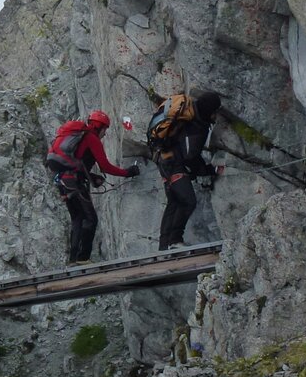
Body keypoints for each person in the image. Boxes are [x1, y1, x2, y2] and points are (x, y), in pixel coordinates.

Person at [46, 110, 141, 264]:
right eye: (105, 130)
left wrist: (92, 177)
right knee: (91, 219)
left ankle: (73, 259)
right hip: (75, 183)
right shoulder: (91, 138)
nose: (105, 133)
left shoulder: (79, 137)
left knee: (77, 218)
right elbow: (105, 166)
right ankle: (83, 258)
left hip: (64, 182)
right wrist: (128, 173)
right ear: (101, 127)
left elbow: (79, 163)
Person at [154, 91, 223, 250]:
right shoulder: (197, 124)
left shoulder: (189, 115)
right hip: (173, 164)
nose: (215, 115)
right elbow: (190, 155)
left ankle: (164, 247)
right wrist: (207, 170)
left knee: (174, 202)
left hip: (163, 159)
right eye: (214, 111)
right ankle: (174, 240)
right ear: (210, 110)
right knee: (188, 201)